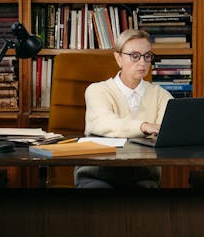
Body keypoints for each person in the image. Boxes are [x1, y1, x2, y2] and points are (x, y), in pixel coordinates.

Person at [74, 29, 173, 188]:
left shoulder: (161, 95)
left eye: (147, 56)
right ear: (118, 58)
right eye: (134, 56)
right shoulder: (97, 90)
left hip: (142, 174)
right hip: (99, 173)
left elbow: (167, 133)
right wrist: (143, 126)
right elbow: (104, 123)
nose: (142, 62)